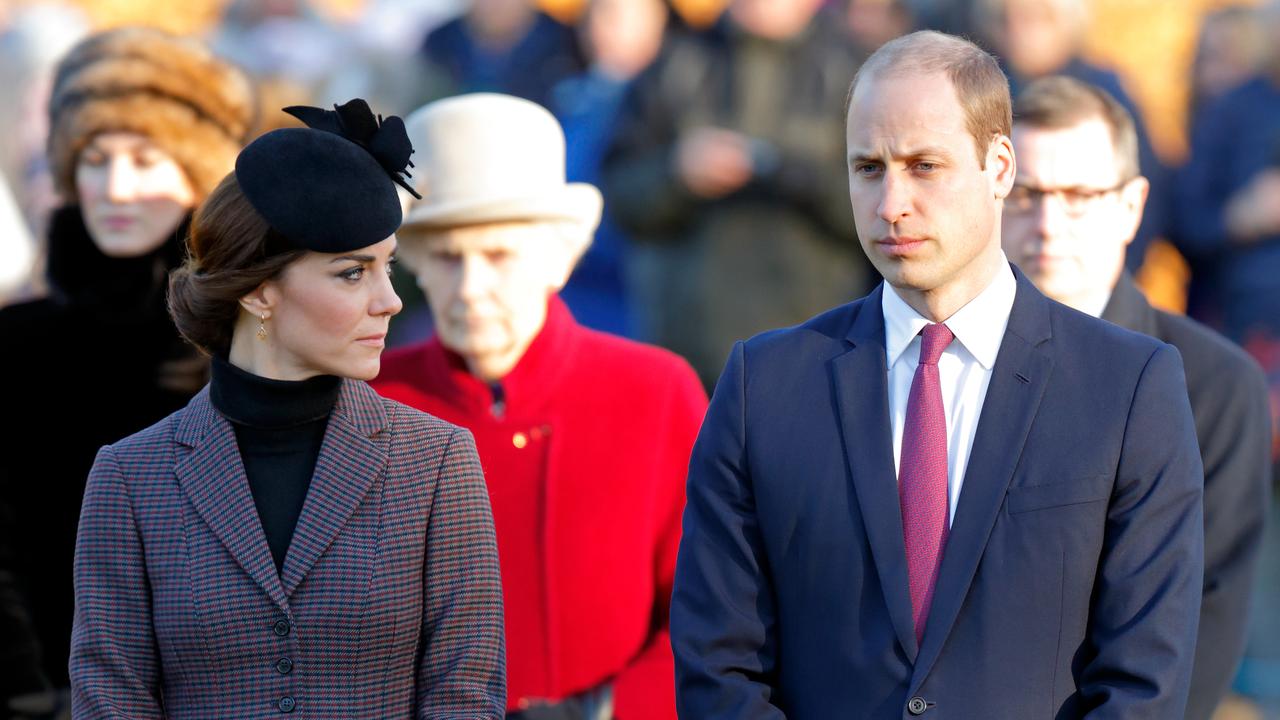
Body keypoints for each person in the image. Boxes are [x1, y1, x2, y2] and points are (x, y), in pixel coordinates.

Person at [671, 30, 1204, 718]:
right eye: (868, 168)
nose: (891, 203)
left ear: (1000, 166)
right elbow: (718, 663)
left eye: (924, 166)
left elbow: (1143, 683)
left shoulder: (1129, 387)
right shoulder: (762, 386)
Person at [70, 98, 505, 718]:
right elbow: (112, 700)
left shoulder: (436, 462)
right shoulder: (130, 478)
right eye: (352, 274)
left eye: (387, 268)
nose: (390, 302)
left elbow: (465, 695)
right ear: (259, 290)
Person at [373, 93, 707, 720]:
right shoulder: (373, 402)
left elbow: (710, 613)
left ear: (557, 257)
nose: (471, 289)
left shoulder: (654, 391)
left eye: (498, 255)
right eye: (447, 258)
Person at [1002, 75, 1272, 720]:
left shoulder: (1213, 385)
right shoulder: (939, 358)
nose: (1048, 224)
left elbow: (1206, 615)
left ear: (1131, 206)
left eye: (1079, 196)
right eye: (1026, 195)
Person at [0, 27, 254, 713]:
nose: (116, 187)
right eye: (95, 158)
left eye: (146, 158)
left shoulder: (250, 339)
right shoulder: (15, 346)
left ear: (199, 172)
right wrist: (29, 690)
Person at [602, 0, 874, 389]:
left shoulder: (857, 74)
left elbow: (884, 209)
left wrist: (787, 171)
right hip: (689, 359)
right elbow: (620, 198)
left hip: (816, 353)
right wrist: (678, 174)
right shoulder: (676, 63)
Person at [972, 0, 1167, 271]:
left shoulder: (1105, 91)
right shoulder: (981, 90)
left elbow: (1147, 191)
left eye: (1037, 18)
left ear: (1068, 23)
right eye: (1006, 19)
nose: (1019, 30)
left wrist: (1119, 279)